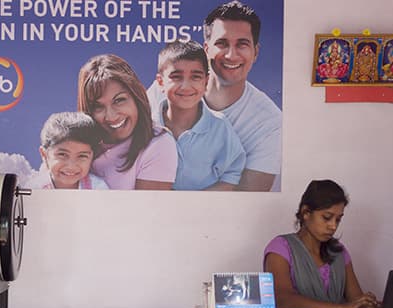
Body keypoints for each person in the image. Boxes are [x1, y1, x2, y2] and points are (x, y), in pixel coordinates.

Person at [147, 1, 281, 191]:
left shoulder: (270, 122)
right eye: (222, 43)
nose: (231, 55)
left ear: (256, 52)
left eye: (242, 45)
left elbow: (249, 197)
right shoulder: (164, 88)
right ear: (207, 48)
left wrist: (180, 209)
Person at [263, 180, 379, 308]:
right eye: (327, 217)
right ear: (306, 213)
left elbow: (355, 301)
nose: (333, 226)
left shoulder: (339, 252)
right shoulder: (281, 248)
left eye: (338, 219)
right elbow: (282, 299)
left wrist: (366, 304)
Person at [154, 40, 246, 191]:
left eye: (195, 77)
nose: (186, 86)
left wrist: (199, 204)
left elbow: (231, 175)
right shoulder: (147, 126)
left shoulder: (219, 126)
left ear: (206, 81)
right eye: (176, 77)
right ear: (160, 82)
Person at [78, 54, 178, 190]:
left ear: (136, 96)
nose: (111, 116)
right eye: (98, 107)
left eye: (119, 100)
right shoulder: (76, 142)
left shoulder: (158, 143)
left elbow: (147, 209)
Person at [28, 112, 109, 190]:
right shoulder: (34, 189)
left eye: (82, 156)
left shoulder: (97, 188)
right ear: (44, 155)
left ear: (92, 156)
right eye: (62, 154)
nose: (71, 166)